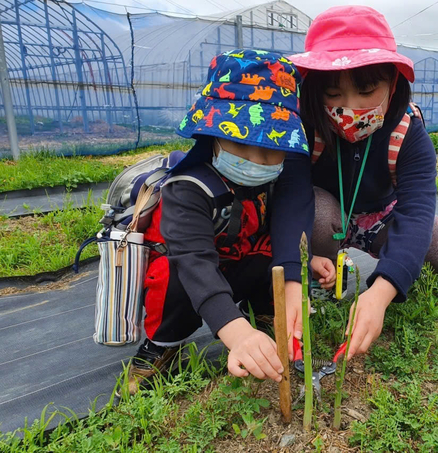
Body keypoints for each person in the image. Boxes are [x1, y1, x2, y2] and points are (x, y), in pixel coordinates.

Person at [278, 5, 438, 362]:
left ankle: (390, 272)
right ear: (315, 90)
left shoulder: (408, 134)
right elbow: (290, 199)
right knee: (316, 211)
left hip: (378, 217)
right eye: (334, 94)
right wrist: (291, 279)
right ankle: (322, 279)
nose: (351, 108)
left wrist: (381, 292)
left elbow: (415, 214)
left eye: (366, 90)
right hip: (327, 214)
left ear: (393, 83)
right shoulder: (305, 126)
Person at [125, 49, 310, 394]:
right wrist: (234, 331)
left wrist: (300, 276)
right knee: (173, 276)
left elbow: (292, 227)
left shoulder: (275, 179)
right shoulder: (188, 188)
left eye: (271, 148)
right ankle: (162, 344)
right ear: (214, 133)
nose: (257, 159)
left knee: (278, 254)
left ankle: (264, 308)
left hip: (237, 259)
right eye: (242, 143)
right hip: (193, 271)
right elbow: (194, 262)